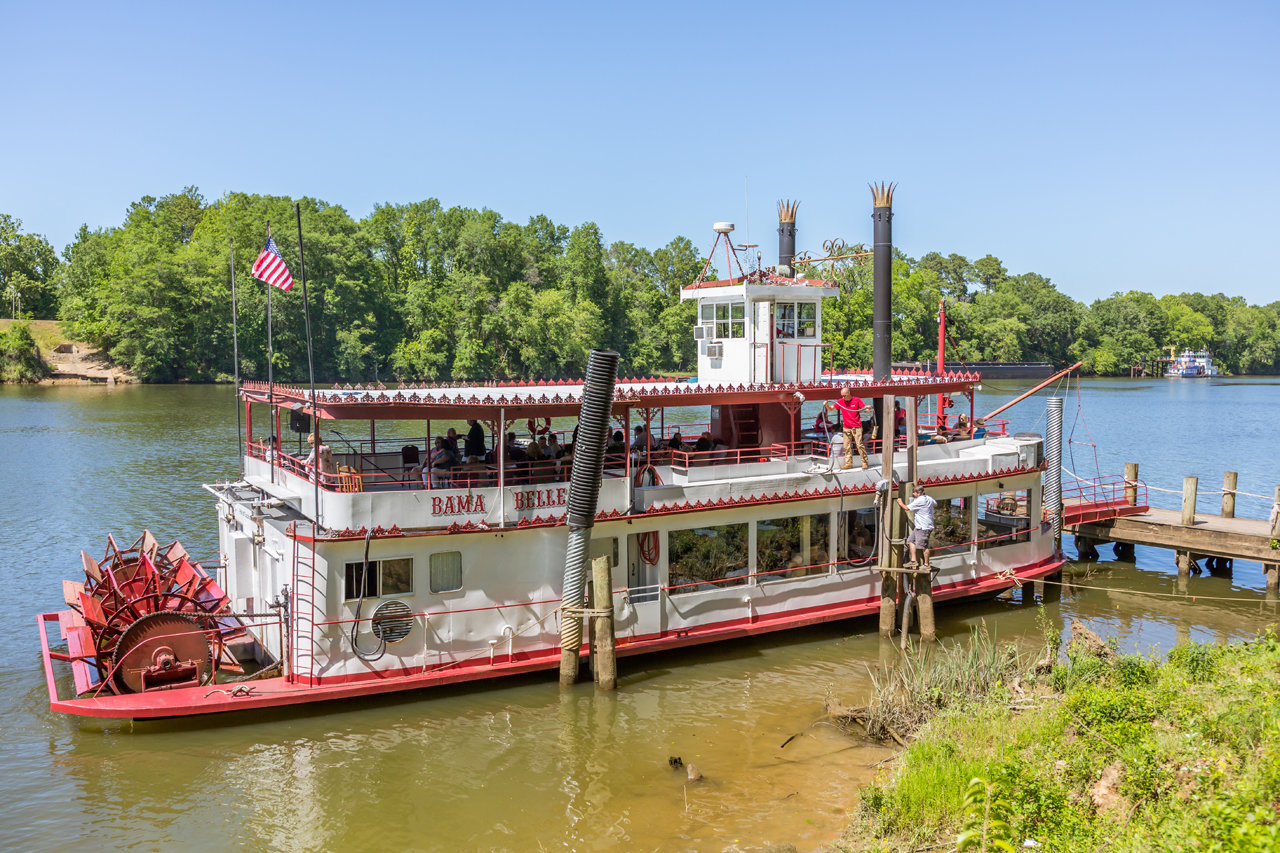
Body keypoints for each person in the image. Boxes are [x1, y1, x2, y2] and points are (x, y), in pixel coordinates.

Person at [825, 387, 869, 470]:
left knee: (859, 444)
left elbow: (865, 408)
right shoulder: (840, 401)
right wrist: (826, 405)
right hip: (846, 427)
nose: (843, 397)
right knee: (846, 446)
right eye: (841, 395)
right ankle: (849, 463)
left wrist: (868, 408)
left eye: (844, 395)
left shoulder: (857, 400)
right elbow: (830, 409)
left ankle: (864, 462)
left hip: (857, 426)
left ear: (849, 393)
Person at [897, 485, 937, 568]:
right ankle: (913, 560)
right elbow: (935, 504)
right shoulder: (928, 498)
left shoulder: (919, 500)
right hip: (919, 526)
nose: (913, 494)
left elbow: (907, 508)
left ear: (918, 493)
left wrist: (900, 502)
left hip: (924, 527)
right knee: (911, 540)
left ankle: (926, 565)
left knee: (923, 546)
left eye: (914, 493)